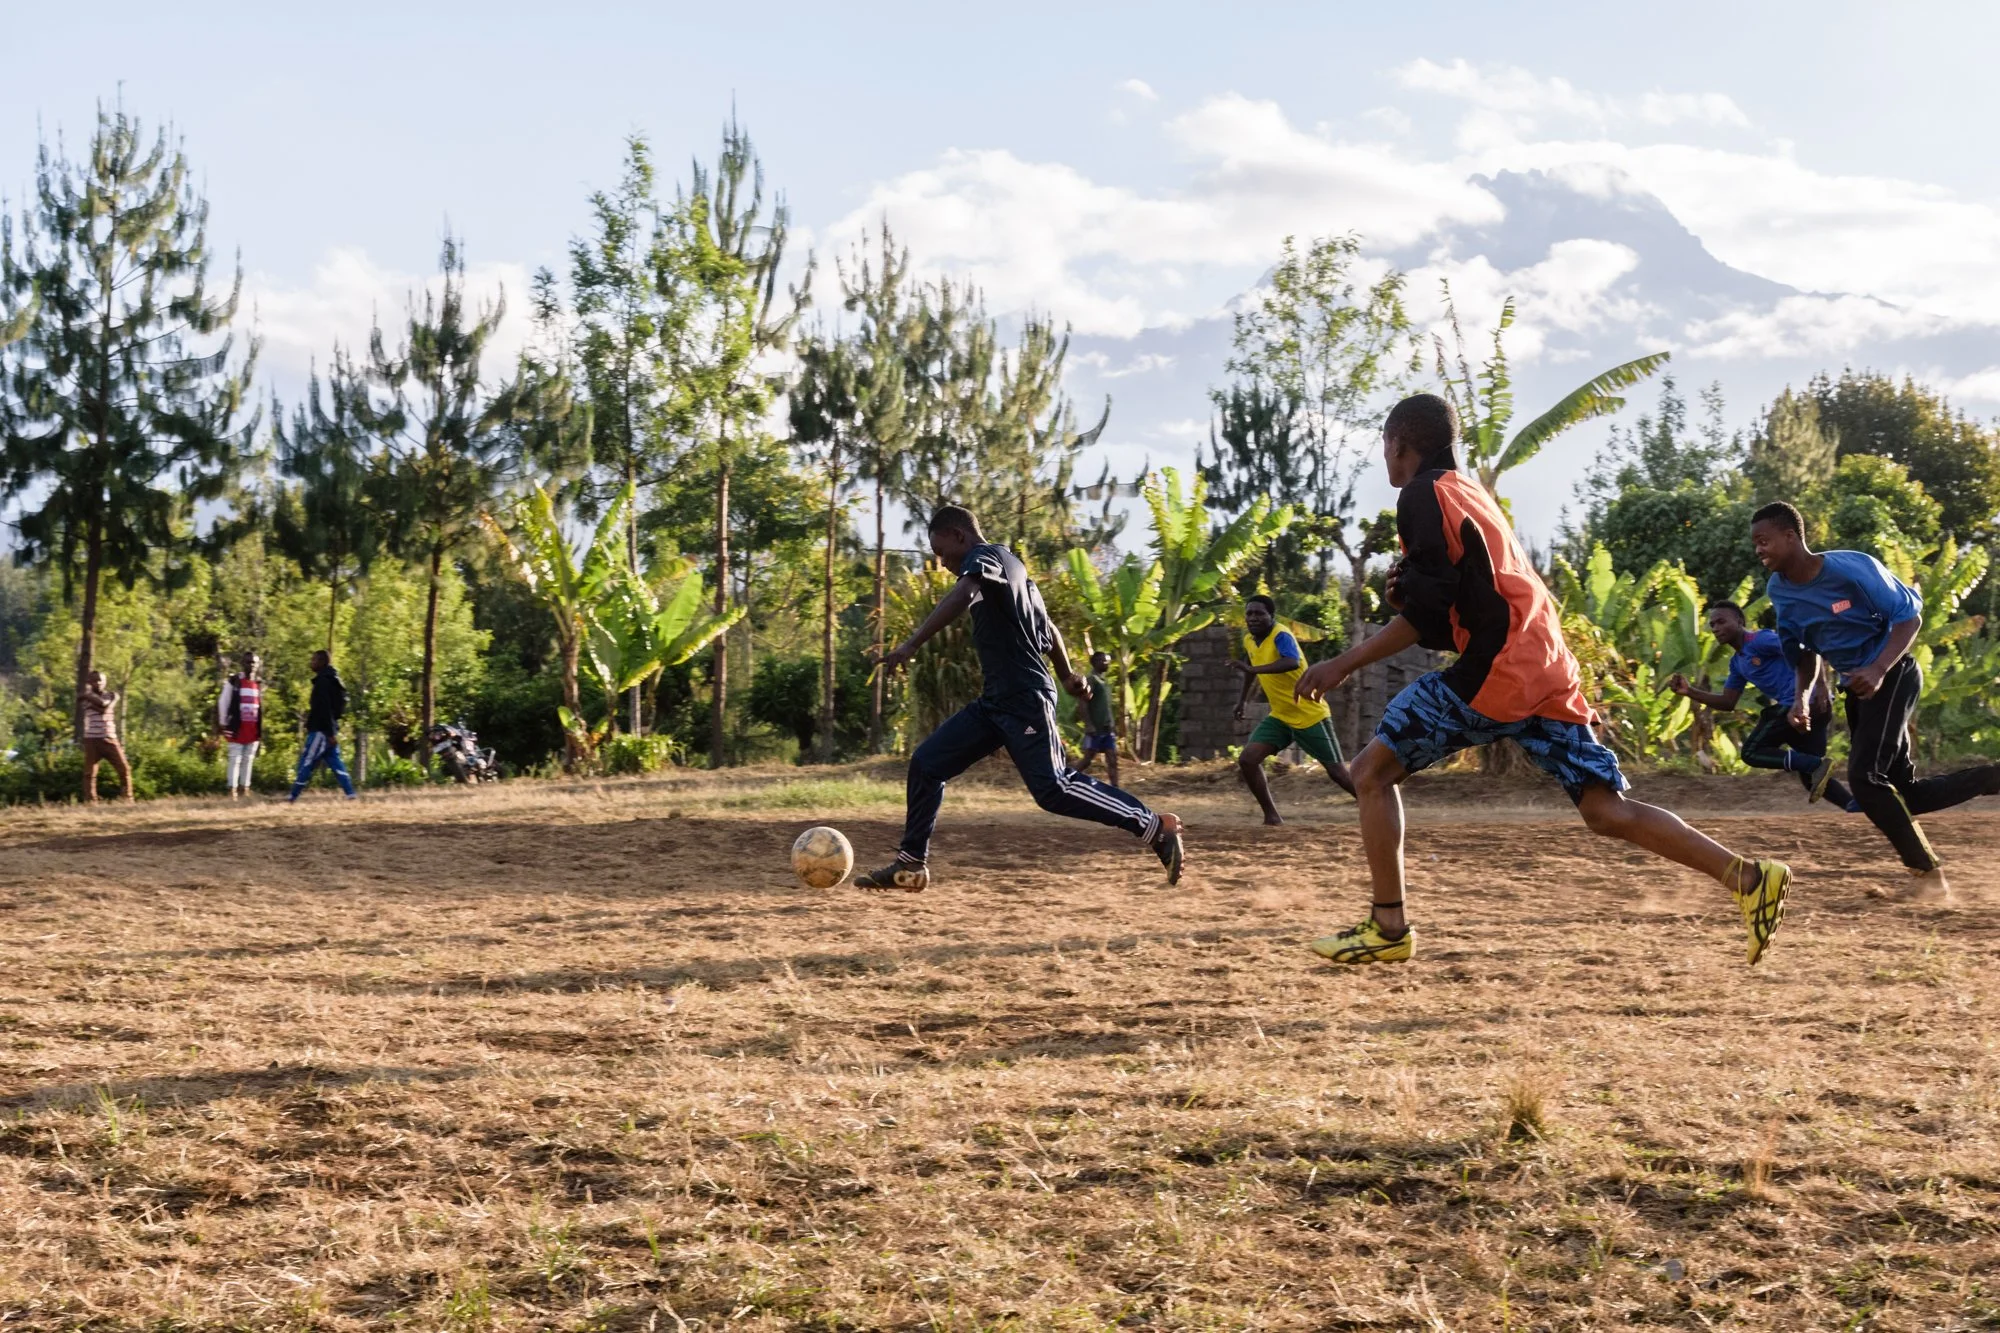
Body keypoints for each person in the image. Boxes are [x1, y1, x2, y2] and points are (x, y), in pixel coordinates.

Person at [1293, 392, 1791, 966]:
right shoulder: (1470, 492)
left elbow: (1426, 618)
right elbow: (1456, 603)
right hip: (1545, 663)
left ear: (1398, 444)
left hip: (1498, 670)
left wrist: (1338, 664)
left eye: (1384, 446)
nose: (1385, 458)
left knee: (1370, 773)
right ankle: (1751, 878)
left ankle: (1388, 928)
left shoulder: (1422, 494)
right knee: (1607, 810)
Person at [857, 505, 1184, 891]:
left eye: (941, 551)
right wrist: (1067, 676)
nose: (941, 562)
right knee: (927, 764)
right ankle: (911, 865)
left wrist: (910, 644)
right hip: (996, 701)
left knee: (1054, 788)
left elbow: (964, 591)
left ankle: (1153, 826)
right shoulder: (1015, 571)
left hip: (1024, 697)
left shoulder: (986, 558)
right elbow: (1049, 628)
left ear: (960, 536)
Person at [1753, 501, 2000, 902]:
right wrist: (1801, 698)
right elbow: (1802, 650)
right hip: (1860, 688)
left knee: (1865, 779)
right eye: (1755, 544)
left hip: (1894, 672)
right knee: (1907, 794)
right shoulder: (1779, 591)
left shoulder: (1850, 569)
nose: (1759, 550)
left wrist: (1879, 668)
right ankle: (1993, 778)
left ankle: (1928, 876)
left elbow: (1909, 618)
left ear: (1790, 536)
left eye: (1764, 541)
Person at [1669, 602, 1856, 810]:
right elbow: (1728, 702)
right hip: (1806, 710)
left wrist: (1821, 685)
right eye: (1712, 624)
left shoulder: (1760, 640)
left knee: (1752, 752)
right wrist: (1690, 692)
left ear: (1740, 622)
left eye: (1721, 621)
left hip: (1803, 704)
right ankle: (1854, 806)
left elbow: (1806, 651)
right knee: (1812, 777)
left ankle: (1814, 765)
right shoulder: (1737, 663)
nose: (1715, 628)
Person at [1232, 594, 1356, 824]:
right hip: (1281, 716)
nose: (1253, 618)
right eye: (1249, 613)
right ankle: (1272, 816)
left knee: (1338, 773)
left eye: (1259, 613)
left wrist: (1254, 670)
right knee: (1248, 760)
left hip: (1308, 713)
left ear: (1271, 616)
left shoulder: (1281, 635)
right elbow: (1251, 671)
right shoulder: (1249, 640)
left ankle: (1376, 805)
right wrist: (1242, 701)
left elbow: (1292, 662)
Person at [288, 649, 357, 802]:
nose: (311, 663)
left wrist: (330, 733)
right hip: (327, 728)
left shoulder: (323, 682)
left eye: (314, 660)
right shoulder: (331, 679)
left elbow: (324, 709)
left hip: (321, 731)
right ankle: (350, 793)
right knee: (335, 762)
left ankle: (293, 795)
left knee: (307, 761)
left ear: (322, 662)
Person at [78, 670, 133, 804]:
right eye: (94, 680)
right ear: (89, 682)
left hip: (110, 737)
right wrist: (107, 702)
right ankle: (91, 800)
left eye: (100, 680)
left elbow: (103, 707)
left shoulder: (110, 694)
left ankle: (127, 798)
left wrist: (90, 697)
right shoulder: (85, 698)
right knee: (90, 772)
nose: (98, 683)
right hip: (92, 739)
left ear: (105, 681)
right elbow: (103, 706)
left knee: (124, 768)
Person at [218, 651, 265, 799]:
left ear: (257, 665)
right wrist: (223, 722)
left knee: (248, 759)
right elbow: (223, 701)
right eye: (248, 662)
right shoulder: (234, 681)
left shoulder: (258, 683)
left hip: (252, 728)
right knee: (235, 758)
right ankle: (232, 790)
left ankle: (245, 788)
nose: (251, 665)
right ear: (242, 663)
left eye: (254, 663)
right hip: (236, 726)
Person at [1073, 650, 1120, 786]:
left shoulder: (1104, 681)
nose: (1107, 663)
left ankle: (1115, 790)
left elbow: (1106, 706)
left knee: (1112, 759)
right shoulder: (1091, 680)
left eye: (1108, 661)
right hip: (1095, 728)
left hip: (1107, 728)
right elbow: (1082, 703)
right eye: (1103, 660)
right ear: (1095, 662)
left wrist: (1112, 723)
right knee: (1087, 759)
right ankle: (1067, 780)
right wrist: (1088, 725)